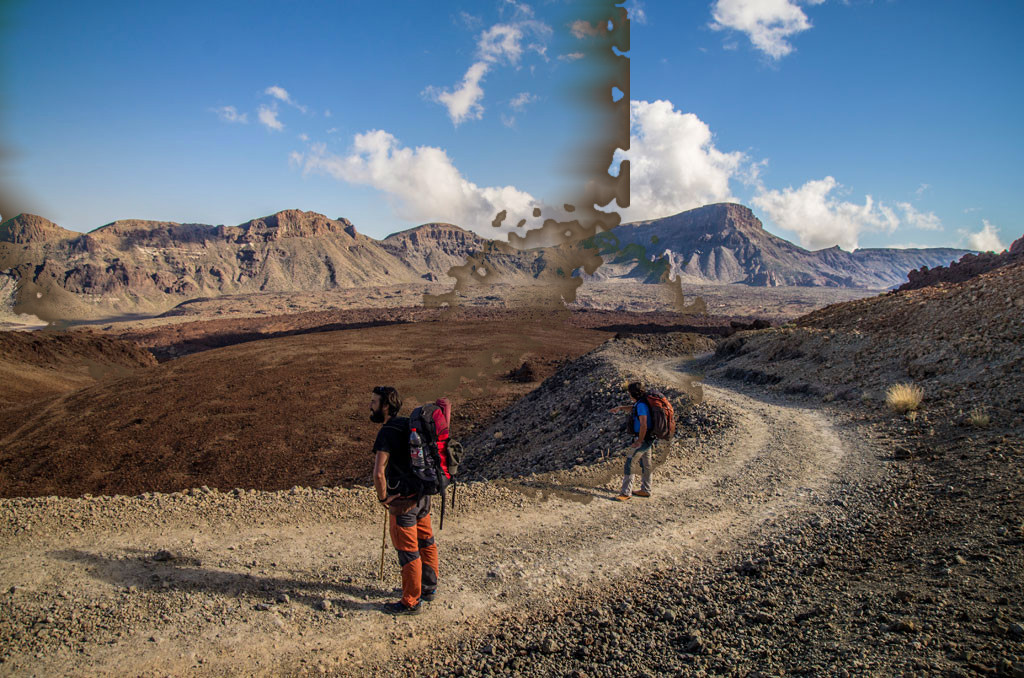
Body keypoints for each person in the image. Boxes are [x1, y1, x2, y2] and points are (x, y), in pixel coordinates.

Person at [370, 385, 439, 615]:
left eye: (374, 402)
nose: (371, 406)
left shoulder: (386, 432)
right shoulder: (409, 424)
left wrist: (383, 498)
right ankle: (429, 588)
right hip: (422, 496)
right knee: (426, 542)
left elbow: (379, 472)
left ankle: (411, 601)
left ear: (386, 405)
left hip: (404, 504)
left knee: (408, 552)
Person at [608, 381, 655, 501]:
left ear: (633, 393)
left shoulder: (641, 405)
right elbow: (634, 409)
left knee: (630, 463)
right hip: (648, 437)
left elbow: (643, 424)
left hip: (643, 438)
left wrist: (639, 440)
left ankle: (625, 493)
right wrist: (621, 408)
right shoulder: (642, 402)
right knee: (646, 464)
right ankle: (646, 489)